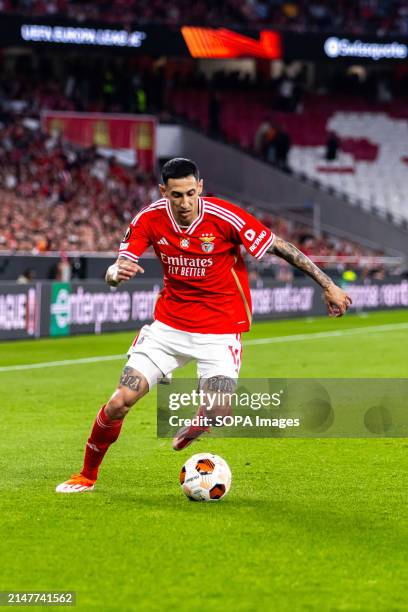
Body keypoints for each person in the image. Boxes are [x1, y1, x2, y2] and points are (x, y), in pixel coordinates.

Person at [56, 158, 351, 493]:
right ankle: (86, 475)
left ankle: (203, 419)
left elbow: (280, 247)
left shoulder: (225, 217)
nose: (184, 203)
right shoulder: (149, 218)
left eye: (191, 194)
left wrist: (328, 285)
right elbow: (120, 265)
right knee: (120, 400)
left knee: (218, 410)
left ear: (201, 188)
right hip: (167, 330)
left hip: (220, 331)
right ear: (162, 191)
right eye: (176, 195)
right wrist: (114, 273)